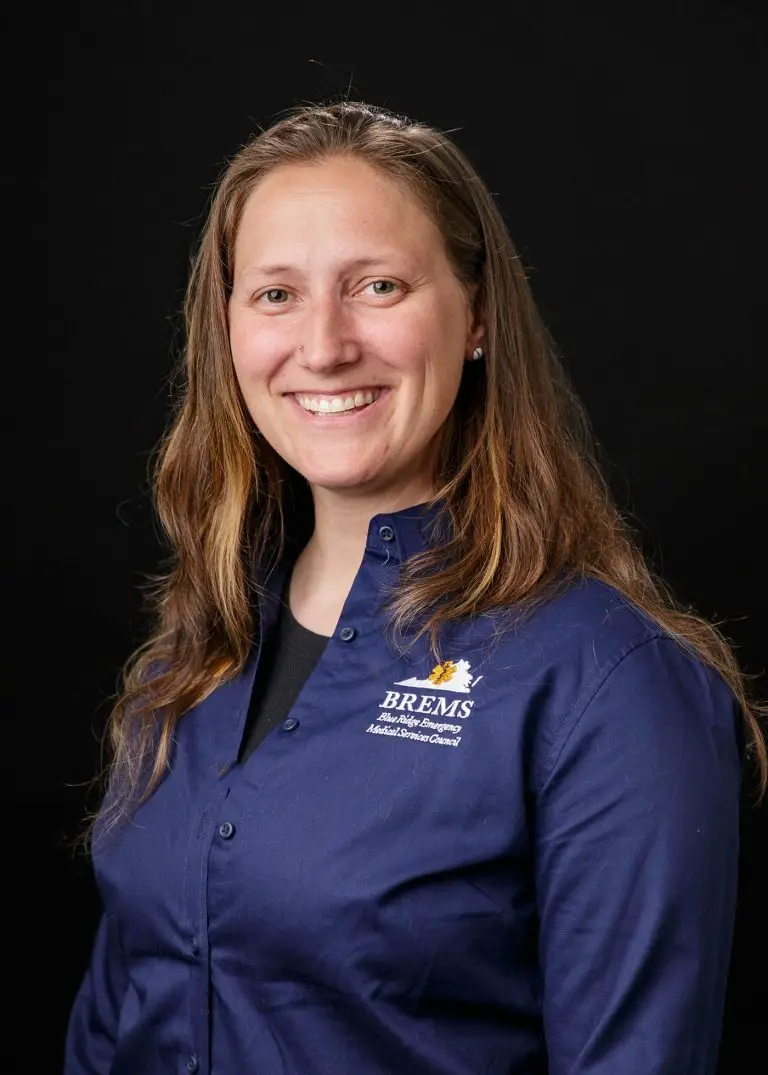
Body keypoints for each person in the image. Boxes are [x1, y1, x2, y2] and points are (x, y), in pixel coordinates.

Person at [65, 101, 765, 1075]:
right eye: (275, 295)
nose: (323, 345)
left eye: (378, 285)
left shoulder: (609, 683)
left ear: (477, 316)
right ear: (227, 329)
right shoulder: (186, 658)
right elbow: (112, 1024)